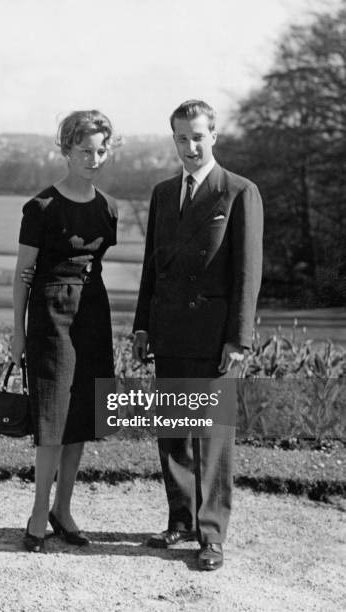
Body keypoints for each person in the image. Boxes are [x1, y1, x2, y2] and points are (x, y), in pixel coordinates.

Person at [132, 99, 263, 570]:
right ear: (173, 140)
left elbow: (248, 274)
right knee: (172, 432)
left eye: (198, 136)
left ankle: (211, 536)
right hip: (168, 329)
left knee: (211, 437)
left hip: (213, 337)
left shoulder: (239, 192)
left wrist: (239, 340)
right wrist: (142, 325)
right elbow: (152, 265)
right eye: (182, 138)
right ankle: (181, 520)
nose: (191, 146)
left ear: (214, 135)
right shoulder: (164, 193)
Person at [11, 110, 118, 552]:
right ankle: (39, 511)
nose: (93, 159)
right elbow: (22, 274)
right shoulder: (40, 207)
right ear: (66, 150)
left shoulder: (108, 207)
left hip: (93, 315)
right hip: (51, 315)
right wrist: (17, 333)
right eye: (84, 150)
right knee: (52, 418)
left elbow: (96, 266)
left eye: (101, 150)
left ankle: (64, 509)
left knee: (80, 418)